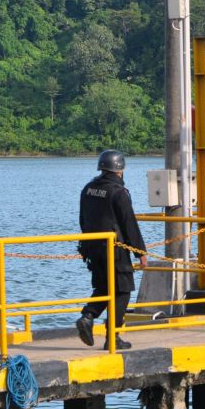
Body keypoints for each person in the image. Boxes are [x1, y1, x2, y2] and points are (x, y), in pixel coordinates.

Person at [75, 150, 147, 350]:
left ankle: (88, 316)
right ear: (120, 170)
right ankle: (112, 338)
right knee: (122, 290)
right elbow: (129, 224)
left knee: (104, 287)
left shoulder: (88, 188)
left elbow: (83, 219)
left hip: (92, 248)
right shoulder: (118, 192)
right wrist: (140, 253)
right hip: (114, 249)